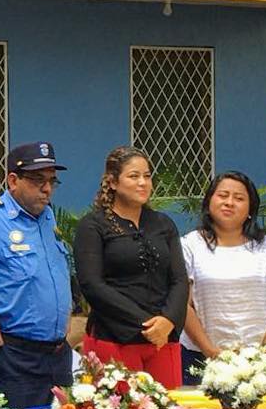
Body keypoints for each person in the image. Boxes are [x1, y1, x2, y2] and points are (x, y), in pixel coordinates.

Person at [0, 141, 73, 409]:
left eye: (51, 181)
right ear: (13, 180)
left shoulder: (47, 217)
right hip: (13, 354)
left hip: (57, 354)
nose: (46, 189)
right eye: (37, 180)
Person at [74, 146, 188, 389]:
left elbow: (179, 280)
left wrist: (168, 322)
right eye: (134, 176)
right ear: (113, 182)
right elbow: (92, 285)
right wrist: (147, 323)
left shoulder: (163, 224)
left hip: (162, 339)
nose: (143, 183)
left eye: (147, 176)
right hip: (115, 338)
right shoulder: (93, 226)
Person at [180, 171, 266, 384]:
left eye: (239, 198)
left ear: (250, 209)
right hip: (201, 358)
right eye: (222, 195)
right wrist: (212, 353)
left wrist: (263, 355)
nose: (229, 202)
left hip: (264, 360)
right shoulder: (189, 245)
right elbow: (183, 305)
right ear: (209, 202)